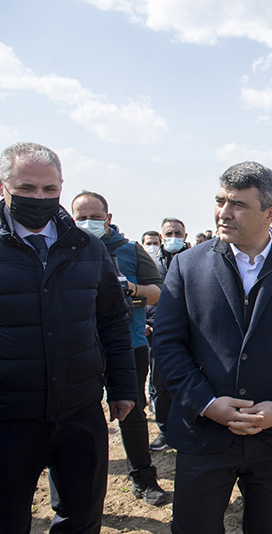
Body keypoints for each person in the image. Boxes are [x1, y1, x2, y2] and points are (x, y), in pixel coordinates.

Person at [152, 161, 272, 534]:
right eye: (220, 200)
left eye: (237, 204)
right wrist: (207, 404)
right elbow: (168, 344)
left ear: (270, 213)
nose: (223, 212)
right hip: (203, 434)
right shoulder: (187, 266)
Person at [0, 142, 138, 533]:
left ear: (61, 187)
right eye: (26, 188)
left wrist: (124, 387)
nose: (38, 198)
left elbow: (112, 320)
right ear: (3, 187)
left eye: (49, 189)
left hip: (79, 410)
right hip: (9, 416)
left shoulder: (87, 248)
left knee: (82, 516)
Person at [71, 191, 167, 506]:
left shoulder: (129, 250)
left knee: (132, 412)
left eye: (95, 217)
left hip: (129, 345)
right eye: (82, 217)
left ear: (108, 219)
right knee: (77, 416)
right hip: (78, 348)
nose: (88, 223)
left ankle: (143, 478)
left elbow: (158, 292)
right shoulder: (64, 250)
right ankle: (80, 490)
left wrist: (130, 288)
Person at [146, 217, 192, 451]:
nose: (173, 237)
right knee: (161, 384)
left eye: (177, 233)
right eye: (169, 233)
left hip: (193, 333)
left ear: (185, 236)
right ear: (162, 236)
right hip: (160, 332)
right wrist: (150, 323)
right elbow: (149, 297)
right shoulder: (151, 262)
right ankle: (165, 431)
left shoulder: (196, 259)